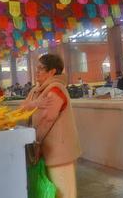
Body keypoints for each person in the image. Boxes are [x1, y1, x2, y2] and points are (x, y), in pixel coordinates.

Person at [20, 54, 81, 198]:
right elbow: (21, 108)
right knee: (49, 191)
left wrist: (37, 141)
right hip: (43, 150)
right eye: (37, 68)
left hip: (59, 153)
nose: (37, 71)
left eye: (41, 68)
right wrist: (34, 104)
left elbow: (48, 119)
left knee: (63, 191)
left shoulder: (55, 89)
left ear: (52, 72)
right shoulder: (36, 90)